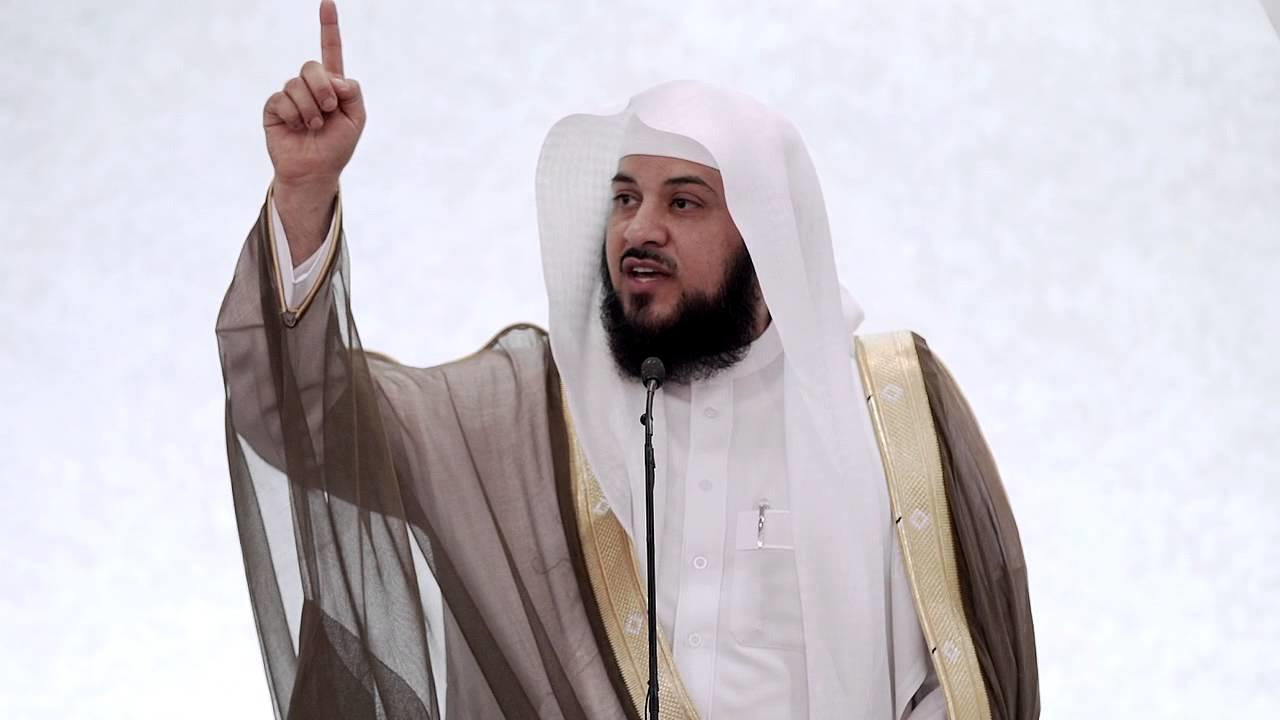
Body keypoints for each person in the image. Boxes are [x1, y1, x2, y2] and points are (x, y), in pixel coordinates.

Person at [216, 2, 1039, 718]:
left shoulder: (890, 414)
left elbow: (957, 677)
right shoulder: (535, 420)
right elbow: (306, 418)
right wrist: (305, 194)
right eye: (624, 199)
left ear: (766, 233)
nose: (640, 229)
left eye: (684, 201)